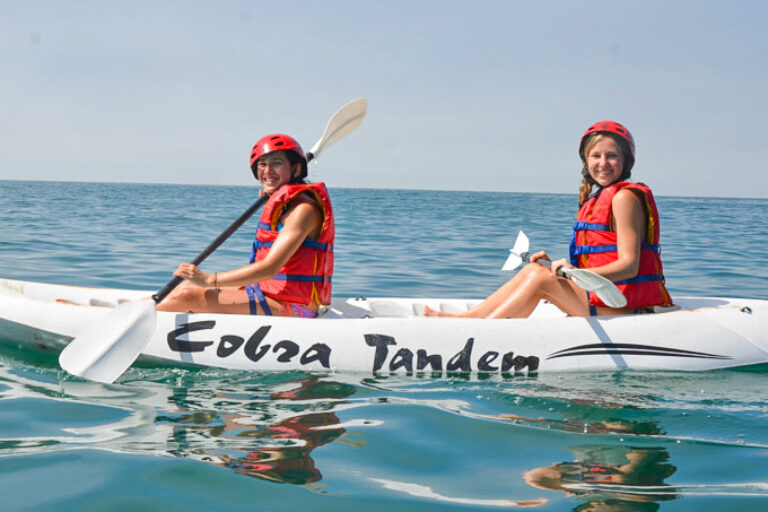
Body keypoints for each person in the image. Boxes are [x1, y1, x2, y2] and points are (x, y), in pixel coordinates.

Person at [425, 121, 672, 319]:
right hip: (599, 296)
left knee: (542, 278)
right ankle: (469, 320)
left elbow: (630, 266)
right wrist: (563, 268)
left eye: (612, 156)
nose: (603, 163)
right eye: (596, 156)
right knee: (534, 269)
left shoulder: (624, 198)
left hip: (620, 304)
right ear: (586, 161)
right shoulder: (598, 198)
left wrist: (570, 274)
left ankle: (477, 335)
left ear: (625, 160)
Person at [157, 134, 334, 318]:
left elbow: (269, 269)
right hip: (272, 293)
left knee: (189, 297)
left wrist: (209, 279)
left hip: (296, 307)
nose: (268, 171)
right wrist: (273, 204)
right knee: (186, 287)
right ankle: (137, 310)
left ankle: (134, 322)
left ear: (296, 168)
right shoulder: (284, 206)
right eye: (262, 164)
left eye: (276, 163)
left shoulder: (303, 210)